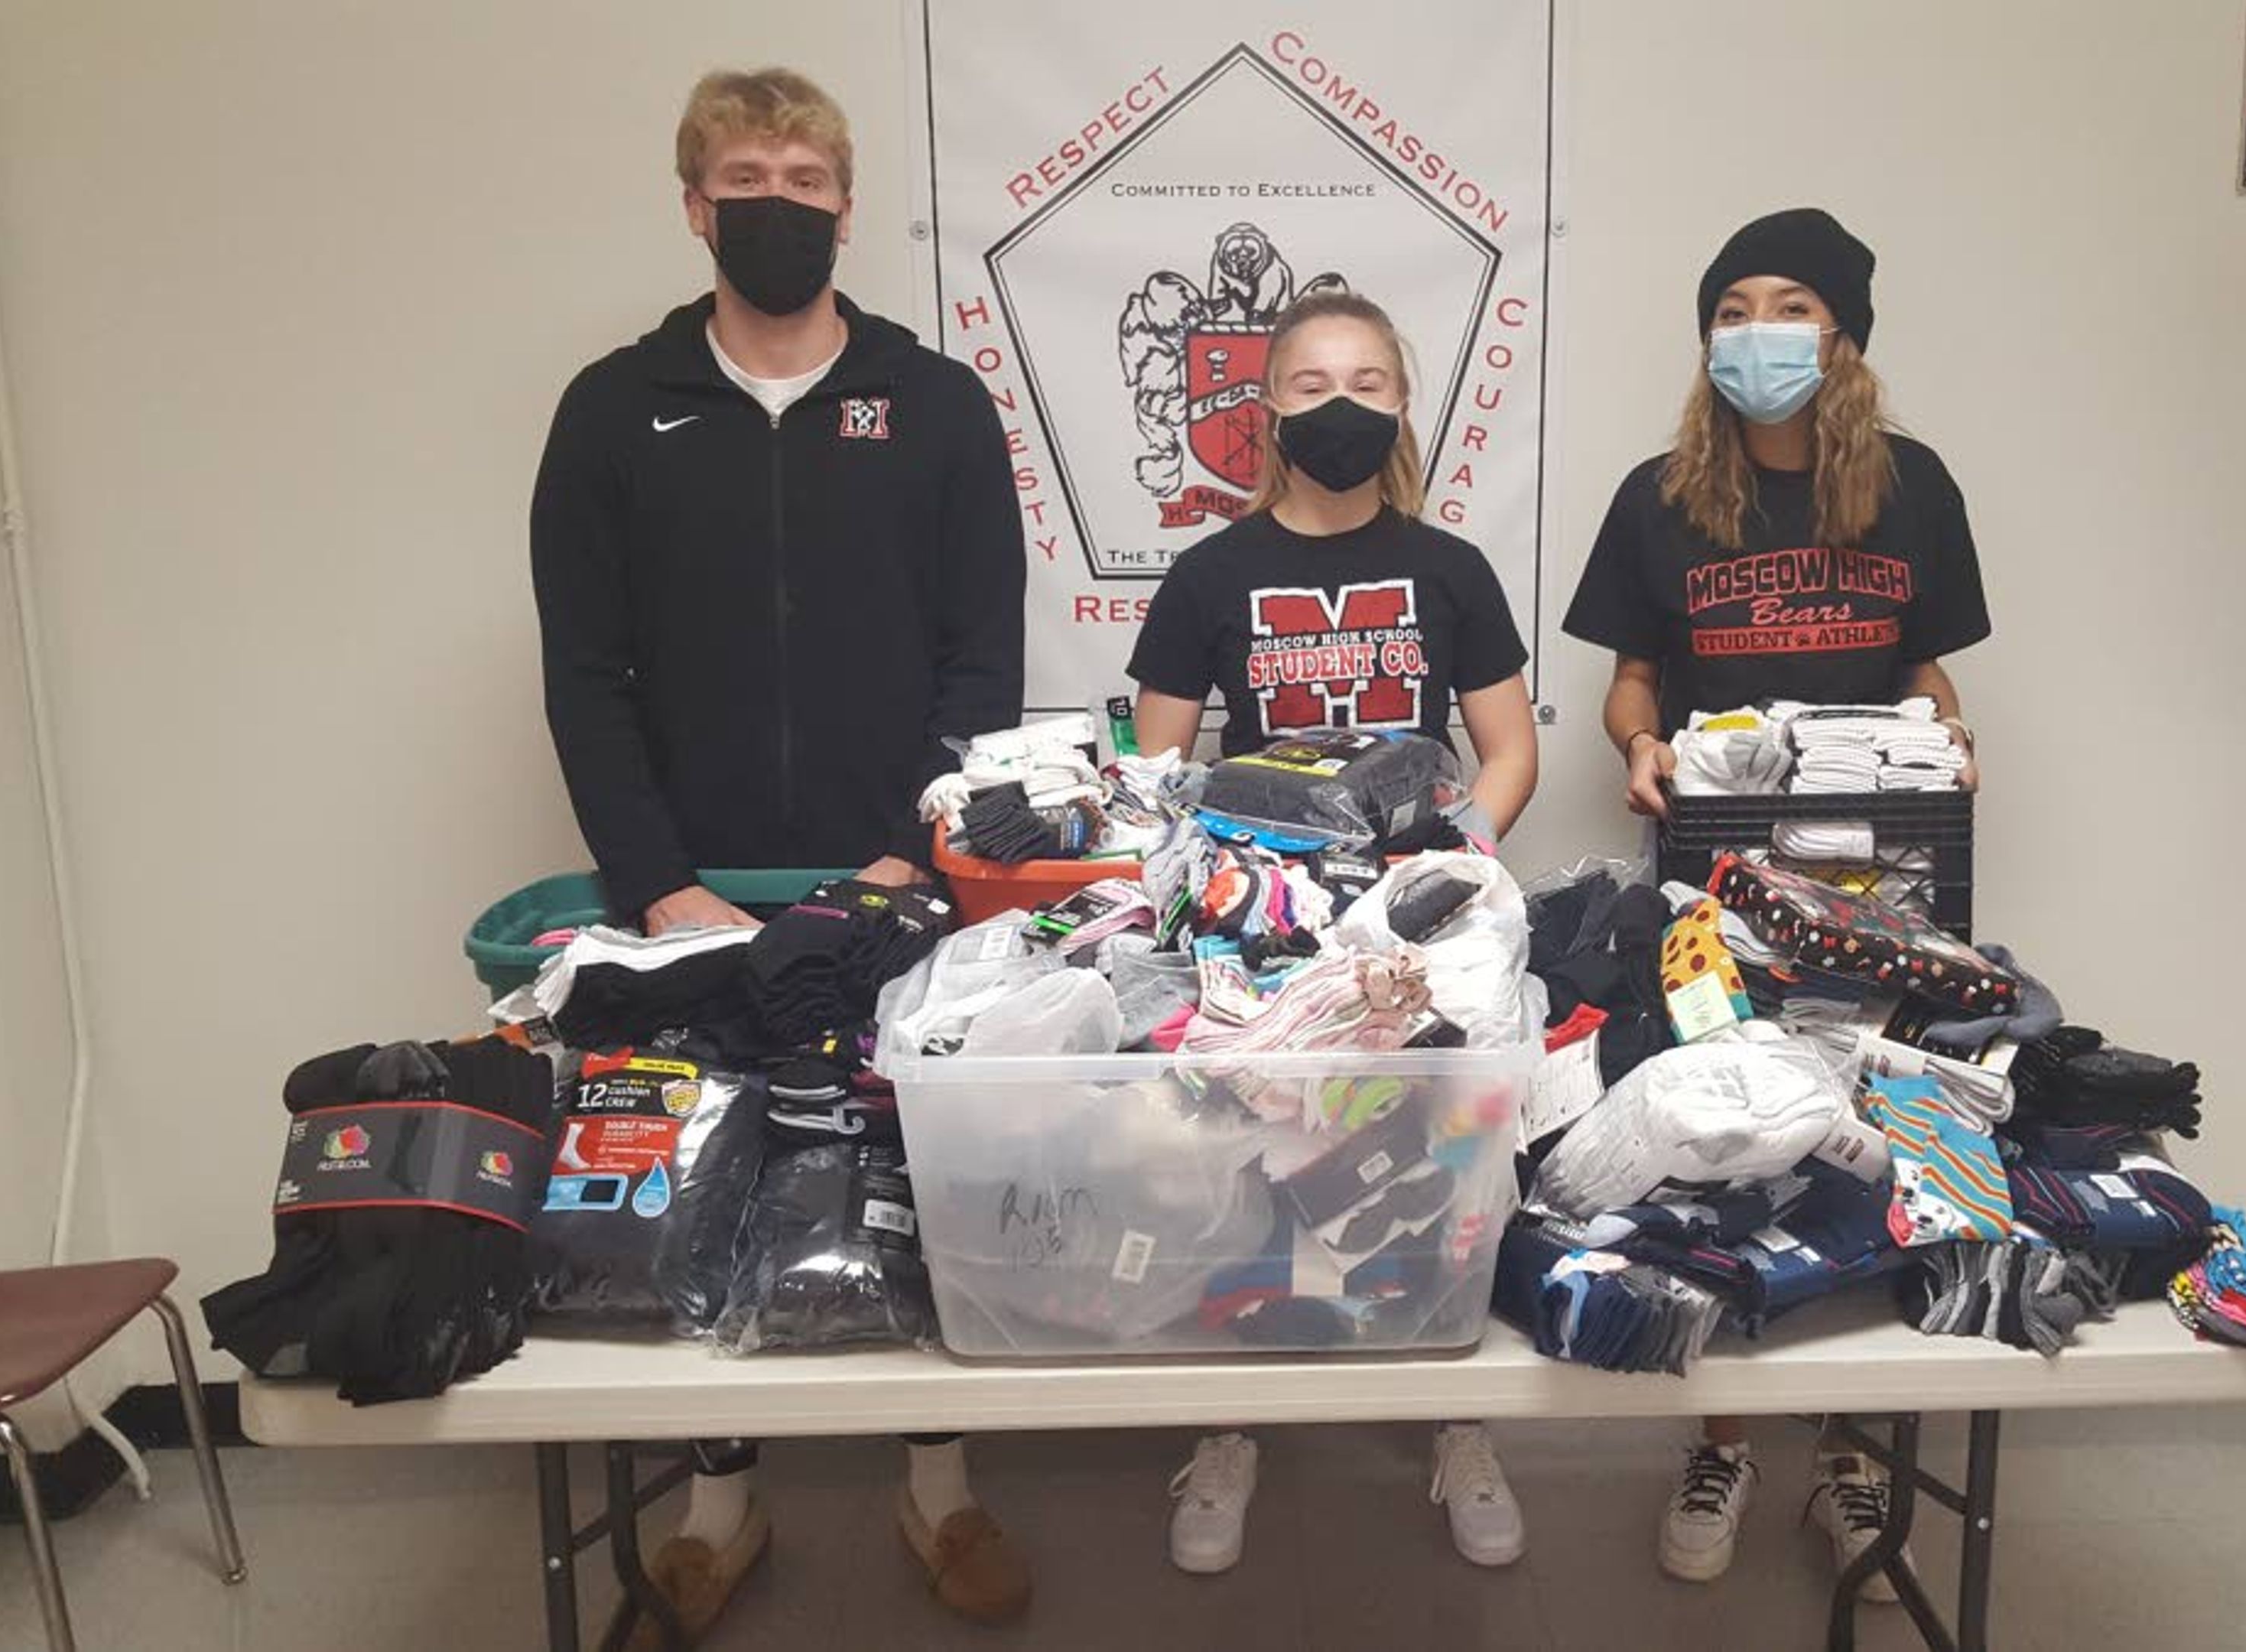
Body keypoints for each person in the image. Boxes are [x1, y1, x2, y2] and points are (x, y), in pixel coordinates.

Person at [528, 68, 1031, 1639]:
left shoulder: (935, 403)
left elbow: (981, 663)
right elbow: (583, 673)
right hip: (696, 888)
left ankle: (940, 1487)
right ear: (694, 204)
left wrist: (913, 858)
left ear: (845, 207)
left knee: (908, 1166)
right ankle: (721, 1500)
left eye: (808, 178)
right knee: (717, 1171)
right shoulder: (615, 410)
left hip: (898, 879)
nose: (780, 201)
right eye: (748, 174)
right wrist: (653, 880)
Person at [1560, 208, 1992, 1596]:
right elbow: (1634, 678)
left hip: (1885, 877)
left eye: (1791, 304)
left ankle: (1851, 1448)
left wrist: (1953, 730)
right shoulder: (1662, 496)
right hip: (1721, 872)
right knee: (1730, 1144)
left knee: (1874, 1136)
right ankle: (1722, 1434)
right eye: (1734, 307)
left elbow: (1928, 669)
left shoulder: (1914, 487)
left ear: (1844, 332)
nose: (1759, 331)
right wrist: (1638, 744)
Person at [1125, 289, 1540, 1573]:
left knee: (1444, 1168)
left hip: (1417, 926)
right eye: (1311, 386)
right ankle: (1232, 1424)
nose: (1341, 407)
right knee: (1252, 1161)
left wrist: (1455, 865)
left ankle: (1456, 1419)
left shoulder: (1450, 568)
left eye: (1367, 382)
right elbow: (1157, 758)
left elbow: (1511, 746)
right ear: (1267, 409)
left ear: (1404, 403)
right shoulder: (1210, 575)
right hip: (1266, 920)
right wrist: (1230, 877)